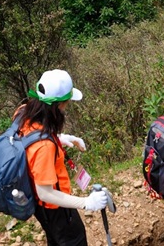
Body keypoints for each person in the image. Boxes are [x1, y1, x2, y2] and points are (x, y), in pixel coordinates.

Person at [16, 70, 109, 246]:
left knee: (55, 240)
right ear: (58, 106)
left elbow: (29, 139)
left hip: (39, 205)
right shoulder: (44, 146)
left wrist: (61, 138)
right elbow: (45, 192)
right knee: (74, 240)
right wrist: (86, 202)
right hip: (55, 208)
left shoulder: (24, 112)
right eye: (66, 103)